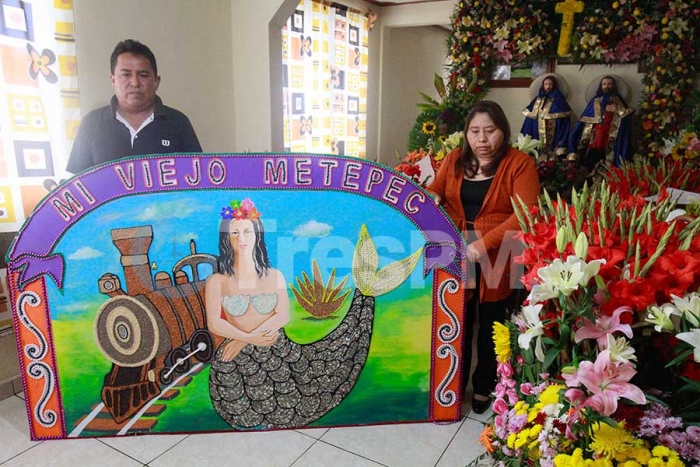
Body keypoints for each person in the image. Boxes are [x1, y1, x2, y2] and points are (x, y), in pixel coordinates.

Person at [427, 101, 540, 415]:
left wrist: (482, 244)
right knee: (456, 320)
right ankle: (452, 384)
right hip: (455, 247)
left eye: (490, 131)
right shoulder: (455, 159)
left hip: (499, 252)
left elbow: (524, 214)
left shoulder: (520, 164)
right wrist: (431, 198)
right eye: (475, 132)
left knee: (491, 322)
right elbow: (436, 189)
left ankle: (485, 382)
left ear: (503, 131)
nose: (482, 139)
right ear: (466, 134)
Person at [66, 39, 201, 173]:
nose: (135, 82)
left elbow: (198, 178)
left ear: (156, 82)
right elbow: (76, 187)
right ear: (113, 80)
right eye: (126, 75)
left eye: (143, 75)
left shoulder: (178, 122)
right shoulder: (92, 123)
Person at [205, 198, 290, 362]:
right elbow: (214, 323)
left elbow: (283, 315)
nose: (241, 239)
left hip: (273, 347)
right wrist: (249, 338)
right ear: (226, 238)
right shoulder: (216, 282)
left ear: (257, 235)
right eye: (234, 233)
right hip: (234, 354)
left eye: (247, 232)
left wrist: (243, 340)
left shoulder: (275, 276)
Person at [568, 75, 634, 169]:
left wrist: (617, 110)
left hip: (610, 136)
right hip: (595, 137)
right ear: (601, 86)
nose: (606, 86)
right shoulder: (595, 101)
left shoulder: (618, 101)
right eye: (604, 84)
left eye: (609, 84)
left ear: (613, 86)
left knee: (608, 161)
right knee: (590, 161)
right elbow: (584, 120)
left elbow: (627, 117)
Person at [520, 74, 572, 159]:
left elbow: (564, 115)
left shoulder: (559, 99)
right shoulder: (538, 98)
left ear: (554, 85)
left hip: (552, 130)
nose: (548, 86)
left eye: (550, 84)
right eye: (546, 84)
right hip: (537, 129)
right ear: (543, 85)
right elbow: (530, 116)